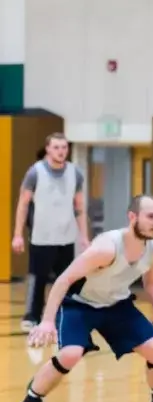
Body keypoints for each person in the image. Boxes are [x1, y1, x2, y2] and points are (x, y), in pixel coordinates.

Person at [10, 195, 153, 402]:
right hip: (80, 305)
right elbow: (64, 279)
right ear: (132, 217)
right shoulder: (106, 248)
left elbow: (151, 282)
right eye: (150, 216)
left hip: (116, 305)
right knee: (70, 354)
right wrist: (46, 321)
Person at [14, 133, 91, 332]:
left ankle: (67, 316)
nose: (61, 151)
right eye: (56, 147)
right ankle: (32, 316)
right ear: (48, 149)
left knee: (67, 280)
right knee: (37, 279)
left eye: (64, 147)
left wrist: (84, 236)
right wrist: (17, 234)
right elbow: (23, 204)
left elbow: (80, 207)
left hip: (66, 238)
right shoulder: (35, 172)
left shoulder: (75, 173)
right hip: (41, 237)